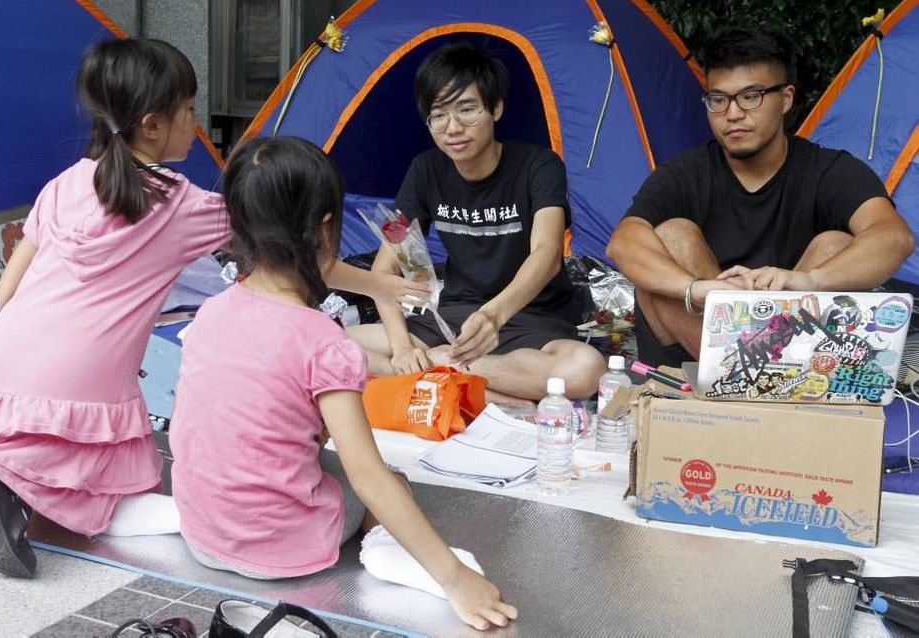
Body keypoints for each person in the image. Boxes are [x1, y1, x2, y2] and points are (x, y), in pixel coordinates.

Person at [0, 38, 424, 579]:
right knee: (108, 486)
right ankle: (8, 483)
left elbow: (7, 293)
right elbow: (281, 240)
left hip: (1, 361)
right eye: (190, 111)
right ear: (152, 124)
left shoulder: (66, 182)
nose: (195, 123)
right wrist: (380, 287)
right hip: (83, 374)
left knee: (43, 450)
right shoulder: (177, 204)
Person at [170, 136, 517, 631]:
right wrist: (456, 578)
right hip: (285, 549)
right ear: (327, 227)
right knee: (392, 480)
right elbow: (367, 476)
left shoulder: (211, 312)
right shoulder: (323, 341)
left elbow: (196, 427)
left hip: (201, 535)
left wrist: (386, 286)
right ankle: (386, 553)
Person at [607, 26, 914, 368]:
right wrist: (697, 288)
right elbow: (623, 242)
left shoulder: (830, 170)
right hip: (696, 356)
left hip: (795, 359)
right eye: (718, 100)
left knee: (836, 244)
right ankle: (732, 371)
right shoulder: (684, 173)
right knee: (670, 237)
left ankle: (759, 376)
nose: (733, 113)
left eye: (750, 96)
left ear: (785, 98)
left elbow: (893, 238)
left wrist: (807, 281)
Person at [347, 43, 605, 402]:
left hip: (527, 315)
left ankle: (441, 373)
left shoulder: (539, 166)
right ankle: (485, 388)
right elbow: (385, 269)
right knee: (333, 342)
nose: (453, 128)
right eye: (438, 115)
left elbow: (546, 255)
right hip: (451, 318)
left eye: (467, 110)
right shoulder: (425, 170)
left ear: (495, 108)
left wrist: (494, 316)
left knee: (585, 369)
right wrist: (403, 348)